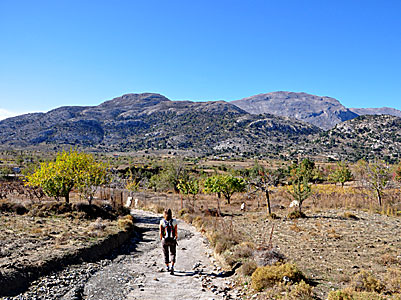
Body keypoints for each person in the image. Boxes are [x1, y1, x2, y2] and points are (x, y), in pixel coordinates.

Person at [159, 208, 178, 275]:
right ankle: (172, 266)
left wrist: (161, 239)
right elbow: (175, 231)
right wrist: (175, 237)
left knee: (165, 253)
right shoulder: (174, 221)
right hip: (172, 239)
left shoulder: (162, 222)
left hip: (165, 240)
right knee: (173, 253)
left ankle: (167, 267)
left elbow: (160, 232)